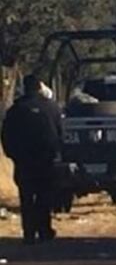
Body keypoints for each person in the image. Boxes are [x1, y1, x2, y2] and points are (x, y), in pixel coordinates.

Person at [1, 75, 63, 244]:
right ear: (39, 88)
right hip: (46, 160)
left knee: (26, 197)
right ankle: (44, 230)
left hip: (23, 161)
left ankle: (28, 233)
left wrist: (12, 155)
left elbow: (6, 135)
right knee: (44, 196)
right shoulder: (52, 107)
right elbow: (60, 132)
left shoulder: (15, 110)